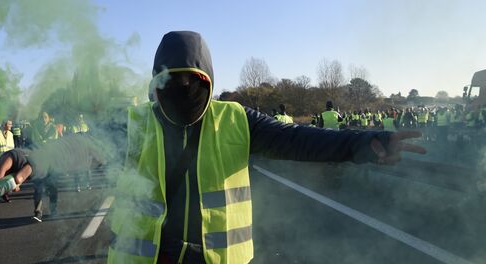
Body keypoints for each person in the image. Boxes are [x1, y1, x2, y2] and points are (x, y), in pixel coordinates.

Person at [107, 31, 426, 264]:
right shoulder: (133, 124)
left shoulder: (236, 119)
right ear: (155, 83)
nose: (182, 90)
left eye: (191, 80)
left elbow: (300, 139)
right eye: (171, 81)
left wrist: (367, 143)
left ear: (208, 80)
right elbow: (79, 147)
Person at [0, 119, 15, 203]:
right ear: (4, 124)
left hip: (7, 160)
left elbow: (12, 147)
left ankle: (5, 194)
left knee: (5, 178)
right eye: (9, 124)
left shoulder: (11, 134)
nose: (11, 125)